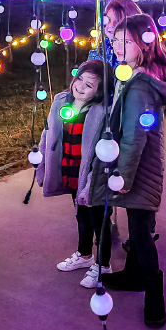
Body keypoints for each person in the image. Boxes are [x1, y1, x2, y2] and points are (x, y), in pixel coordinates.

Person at [98, 13, 166, 327]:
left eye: (125, 41)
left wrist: (123, 178)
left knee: (141, 234)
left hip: (138, 169)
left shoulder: (140, 85)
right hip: (139, 165)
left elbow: (135, 136)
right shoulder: (132, 75)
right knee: (138, 229)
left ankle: (154, 296)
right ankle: (134, 275)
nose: (117, 45)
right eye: (115, 39)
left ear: (143, 44)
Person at [42, 59, 115, 287]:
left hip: (94, 175)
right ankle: (84, 256)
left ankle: (103, 264)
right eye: (79, 79)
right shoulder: (62, 102)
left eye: (90, 85)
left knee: (99, 220)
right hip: (73, 170)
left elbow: (106, 151)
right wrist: (43, 163)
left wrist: (94, 178)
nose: (81, 87)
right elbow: (49, 134)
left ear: (100, 90)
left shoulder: (103, 112)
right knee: (80, 215)